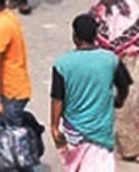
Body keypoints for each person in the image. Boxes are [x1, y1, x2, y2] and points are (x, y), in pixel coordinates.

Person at [90, 0, 139, 163]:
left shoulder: (132, 9)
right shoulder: (97, 12)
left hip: (131, 61)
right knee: (110, 105)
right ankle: (119, 145)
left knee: (130, 105)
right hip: (106, 63)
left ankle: (133, 149)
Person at [51, 14, 133, 172]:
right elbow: (124, 86)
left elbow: (57, 98)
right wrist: (119, 100)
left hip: (73, 131)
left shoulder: (62, 64)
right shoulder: (111, 60)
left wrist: (54, 126)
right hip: (101, 132)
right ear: (96, 36)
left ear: (75, 36)